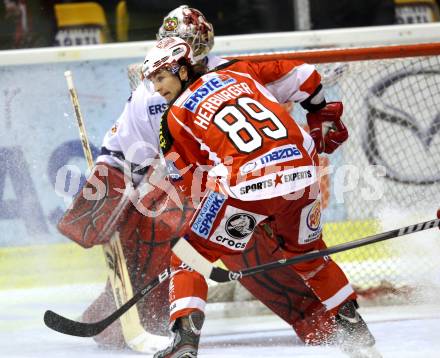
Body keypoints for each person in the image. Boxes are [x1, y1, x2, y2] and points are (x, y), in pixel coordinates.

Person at [59, 4, 357, 353]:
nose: (159, 84)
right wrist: (319, 110)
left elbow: (122, 159)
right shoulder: (232, 74)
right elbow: (120, 157)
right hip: (223, 187)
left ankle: (317, 322)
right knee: (166, 234)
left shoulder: (198, 81)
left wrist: (105, 192)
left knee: (219, 246)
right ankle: (125, 321)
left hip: (224, 188)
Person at [142, 36, 380, 358]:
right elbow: (307, 74)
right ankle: (356, 331)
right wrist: (318, 110)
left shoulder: (173, 118)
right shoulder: (239, 72)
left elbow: (190, 184)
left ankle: (184, 342)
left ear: (182, 70)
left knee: (188, 257)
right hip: (303, 174)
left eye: (160, 77)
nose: (157, 88)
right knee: (309, 255)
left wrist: (246, 215)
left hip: (246, 186)